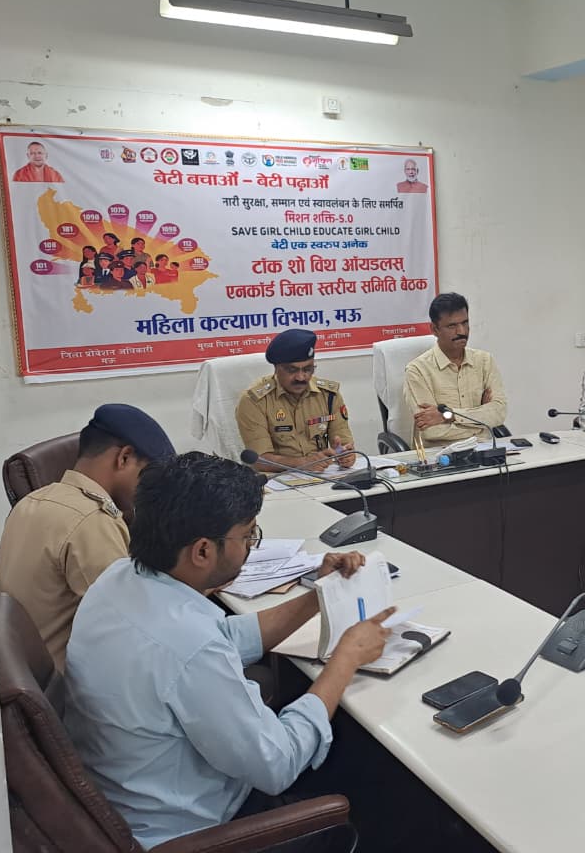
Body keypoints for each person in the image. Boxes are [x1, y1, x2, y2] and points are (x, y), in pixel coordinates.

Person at [64, 452, 393, 848]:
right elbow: (279, 765)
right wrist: (346, 658)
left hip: (133, 798)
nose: (251, 545)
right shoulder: (189, 646)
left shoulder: (119, 578)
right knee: (377, 776)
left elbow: (224, 638)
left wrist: (317, 595)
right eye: (248, 535)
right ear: (203, 551)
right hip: (195, 834)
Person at [0, 404, 174, 671]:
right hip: (69, 685)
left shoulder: (33, 500)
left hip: (24, 673)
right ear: (124, 458)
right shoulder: (90, 520)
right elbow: (136, 630)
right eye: (149, 476)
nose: (150, 491)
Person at [236, 329, 357, 473]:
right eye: (292, 370)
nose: (301, 377)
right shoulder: (254, 401)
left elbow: (343, 443)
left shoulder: (329, 396)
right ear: (276, 369)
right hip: (276, 479)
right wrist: (302, 463)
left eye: (308, 369)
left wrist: (344, 454)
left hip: (323, 475)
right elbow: (259, 461)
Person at [404, 292, 507, 445]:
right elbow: (431, 431)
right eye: (452, 326)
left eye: (465, 323)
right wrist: (480, 421)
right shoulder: (417, 370)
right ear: (434, 329)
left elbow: (499, 413)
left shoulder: (485, 361)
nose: (462, 331)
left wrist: (449, 415)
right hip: (439, 454)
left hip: (483, 450)